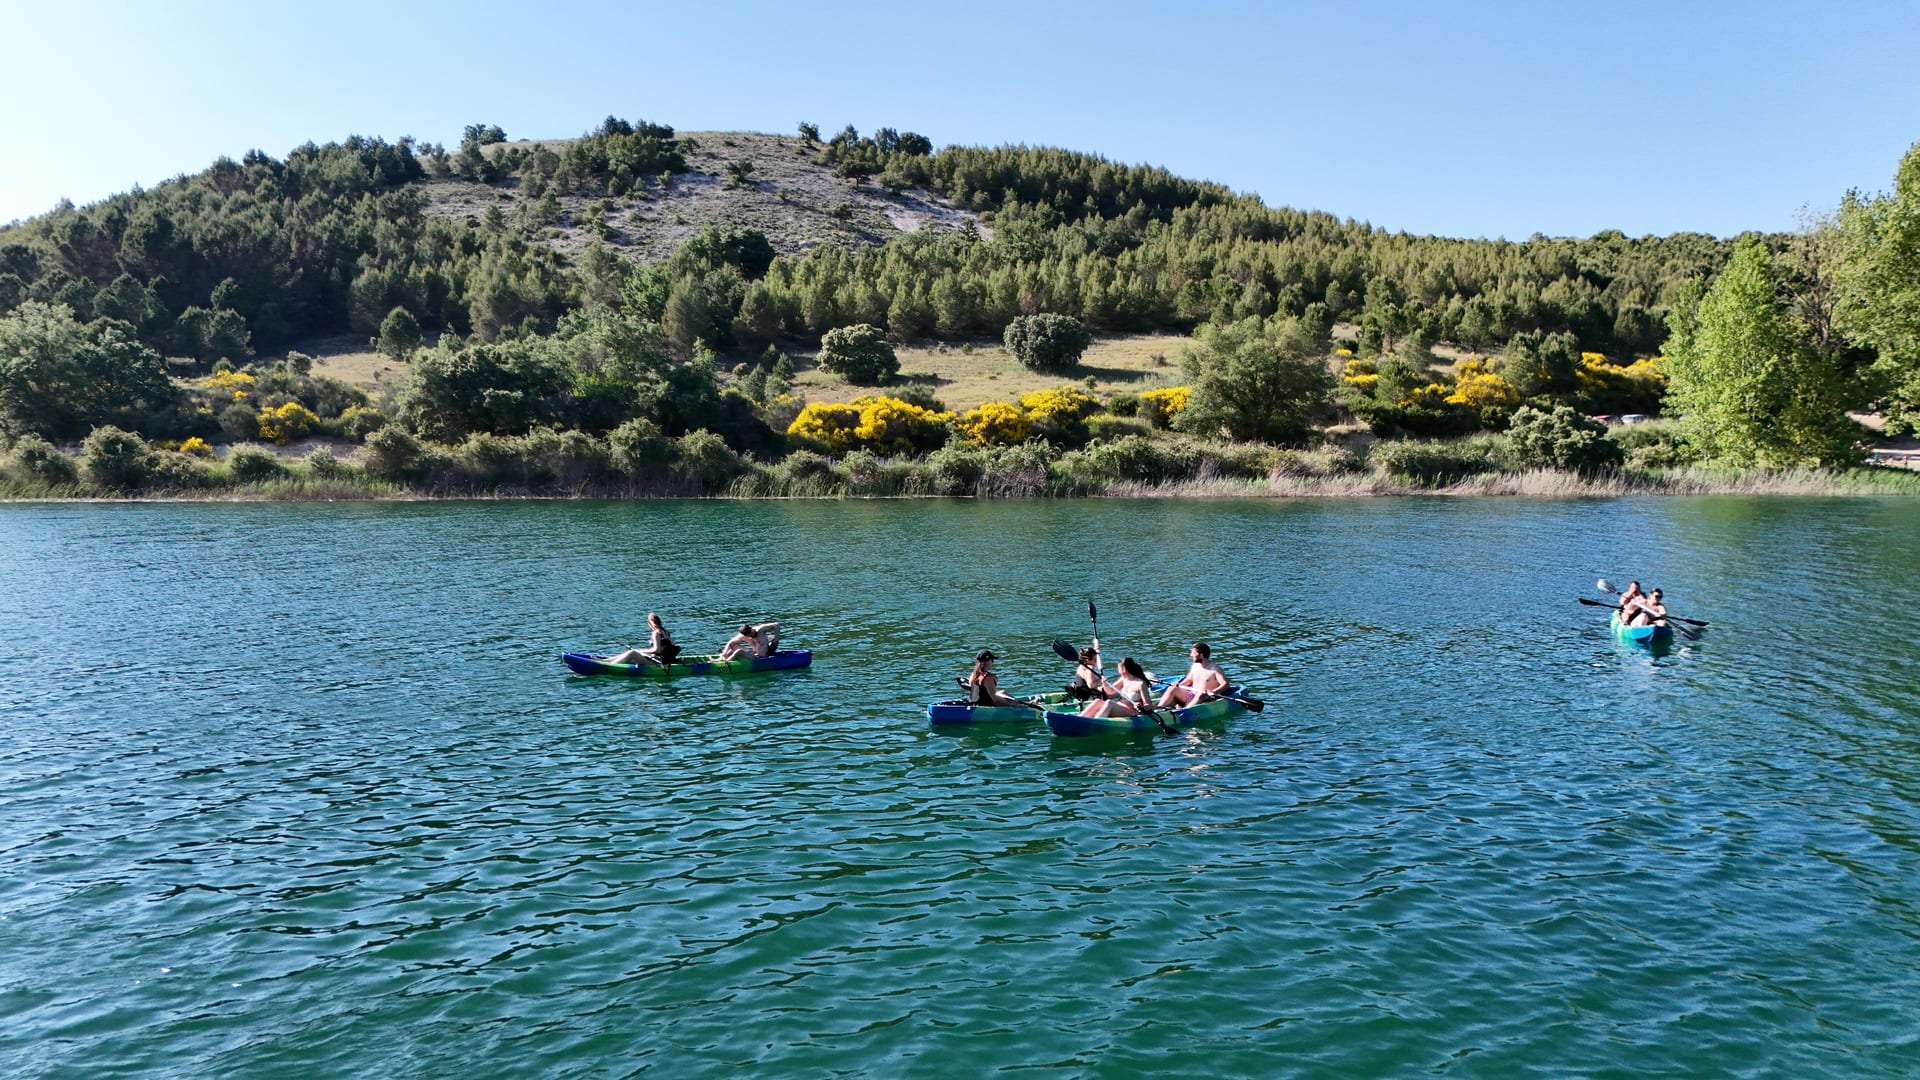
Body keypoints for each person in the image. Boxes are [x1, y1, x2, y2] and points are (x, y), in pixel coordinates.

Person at [1158, 641, 1228, 708]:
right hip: (1191, 695)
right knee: (1172, 688)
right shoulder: (1195, 666)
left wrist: (1214, 691)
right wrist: (1179, 684)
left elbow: (1225, 684)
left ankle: (1185, 710)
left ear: (1200, 655)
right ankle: (1159, 708)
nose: (1191, 655)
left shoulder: (1215, 669)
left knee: (1201, 694)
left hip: (1205, 698)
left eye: (1193, 653)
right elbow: (1189, 680)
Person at [1080, 656, 1154, 718]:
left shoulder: (1140, 684)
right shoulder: (1123, 679)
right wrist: (1105, 684)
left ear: (1124, 669)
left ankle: (1095, 723)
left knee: (1109, 702)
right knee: (1097, 701)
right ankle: (1080, 718)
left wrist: (1141, 707)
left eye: (1118, 667)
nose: (1117, 669)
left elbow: (1148, 705)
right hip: (1120, 707)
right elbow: (1110, 692)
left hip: (1132, 711)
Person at [606, 613, 678, 665]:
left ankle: (609, 666)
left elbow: (657, 650)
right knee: (630, 653)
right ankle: (606, 660)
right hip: (665, 660)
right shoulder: (666, 633)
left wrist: (640, 651)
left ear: (649, 624)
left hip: (657, 661)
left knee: (632, 653)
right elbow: (672, 647)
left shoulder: (655, 633)